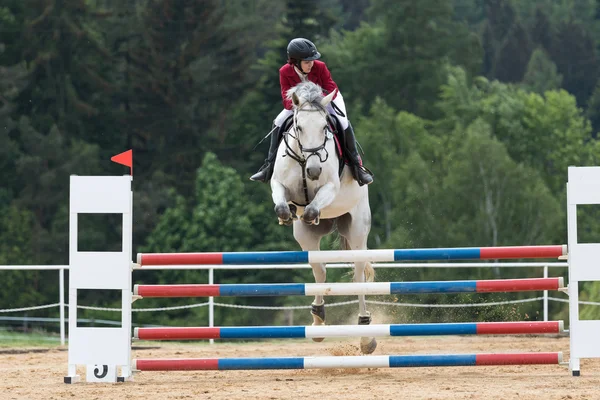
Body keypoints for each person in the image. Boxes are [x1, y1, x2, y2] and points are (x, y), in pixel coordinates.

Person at [250, 37, 373, 186]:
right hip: (299, 105)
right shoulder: (284, 71)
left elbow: (330, 87)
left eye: (312, 61)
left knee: (342, 122)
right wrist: (303, 104)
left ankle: (356, 166)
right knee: (278, 122)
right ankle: (268, 166)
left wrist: (318, 102)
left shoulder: (320, 66)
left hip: (326, 99)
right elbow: (286, 100)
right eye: (307, 62)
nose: (311, 64)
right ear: (295, 62)